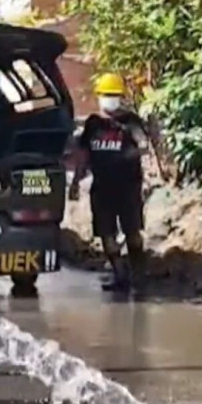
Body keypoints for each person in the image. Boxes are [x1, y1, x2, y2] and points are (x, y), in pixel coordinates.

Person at [69, 72, 150, 292]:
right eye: (106, 95)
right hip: (102, 189)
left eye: (113, 95)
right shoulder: (93, 124)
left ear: (121, 96)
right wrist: (76, 181)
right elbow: (83, 155)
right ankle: (119, 275)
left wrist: (133, 148)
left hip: (128, 187)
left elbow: (143, 145)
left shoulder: (130, 122)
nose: (109, 99)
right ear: (99, 97)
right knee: (106, 234)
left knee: (133, 232)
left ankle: (139, 274)